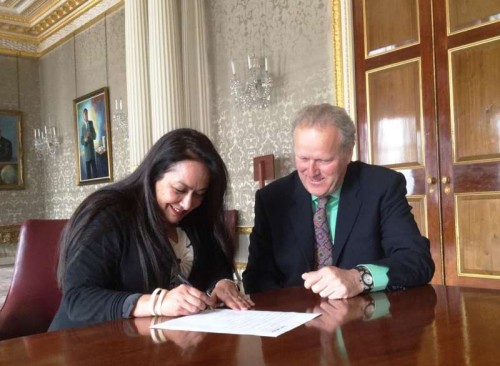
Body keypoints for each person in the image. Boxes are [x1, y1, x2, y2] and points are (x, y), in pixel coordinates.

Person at [49, 128, 254, 331]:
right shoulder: (107, 214)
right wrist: (158, 302)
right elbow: (78, 299)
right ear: (154, 175)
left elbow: (216, 267)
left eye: (199, 194)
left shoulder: (195, 218)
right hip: (84, 346)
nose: (187, 203)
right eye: (179, 190)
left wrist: (222, 284)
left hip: (151, 348)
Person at [242, 103, 434, 299]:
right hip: (297, 321)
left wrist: (358, 278)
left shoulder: (381, 187)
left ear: (348, 153)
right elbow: (256, 278)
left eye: (323, 160)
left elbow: (417, 261)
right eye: (303, 158)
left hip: (366, 319)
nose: (312, 171)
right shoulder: (272, 198)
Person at [80, 108, 98, 179]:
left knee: (95, 172)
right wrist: (85, 140)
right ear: (83, 116)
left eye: (87, 114)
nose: (86, 116)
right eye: (85, 114)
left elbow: (95, 136)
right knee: (88, 175)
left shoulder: (91, 123)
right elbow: (81, 141)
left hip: (92, 152)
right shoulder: (82, 127)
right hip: (87, 154)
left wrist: (90, 134)